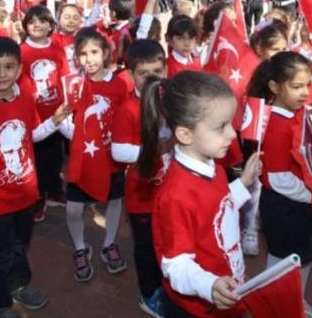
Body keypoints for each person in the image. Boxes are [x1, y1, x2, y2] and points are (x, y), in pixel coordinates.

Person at [0, 36, 71, 316]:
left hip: (26, 192)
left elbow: (32, 135)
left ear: (19, 70)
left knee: (21, 245)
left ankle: (18, 284)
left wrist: (55, 121)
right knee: (0, 253)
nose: (2, 74)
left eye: (8, 67)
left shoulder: (24, 99)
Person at [146, 70, 263, 318]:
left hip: (226, 293)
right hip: (199, 309)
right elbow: (176, 265)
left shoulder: (214, 165)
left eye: (231, 123)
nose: (232, 134)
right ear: (185, 134)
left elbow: (218, 208)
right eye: (221, 126)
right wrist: (209, 286)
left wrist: (243, 183)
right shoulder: (176, 195)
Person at [247, 52, 312, 316]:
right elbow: (279, 178)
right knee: (281, 263)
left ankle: (294, 302)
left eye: (307, 85)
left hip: (297, 202)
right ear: (274, 87)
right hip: (285, 205)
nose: (304, 93)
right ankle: (271, 306)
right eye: (297, 86)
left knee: (302, 257)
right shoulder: (278, 124)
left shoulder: (294, 114)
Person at [109, 39, 169, 316]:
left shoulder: (168, 100)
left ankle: (166, 286)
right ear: (131, 74)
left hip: (168, 192)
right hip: (142, 194)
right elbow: (119, 151)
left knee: (166, 242)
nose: (151, 79)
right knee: (145, 248)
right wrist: (156, 148)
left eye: (157, 72)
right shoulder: (127, 109)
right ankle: (149, 294)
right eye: (144, 73)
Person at [65, 28, 130, 282]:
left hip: (111, 157)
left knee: (114, 201)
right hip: (83, 158)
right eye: (83, 54)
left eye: (94, 52)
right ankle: (80, 247)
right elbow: (64, 118)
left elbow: (126, 117)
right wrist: (75, 134)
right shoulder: (74, 84)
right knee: (73, 208)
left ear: (105, 53)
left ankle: (109, 243)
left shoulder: (119, 84)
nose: (89, 59)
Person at [17, 6, 69, 223]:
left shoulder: (57, 49)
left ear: (51, 25)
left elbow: (65, 76)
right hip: (35, 116)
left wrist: (67, 103)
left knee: (56, 156)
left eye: (42, 21)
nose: (37, 25)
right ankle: (37, 197)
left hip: (56, 113)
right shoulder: (21, 51)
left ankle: (54, 190)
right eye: (31, 22)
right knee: (36, 158)